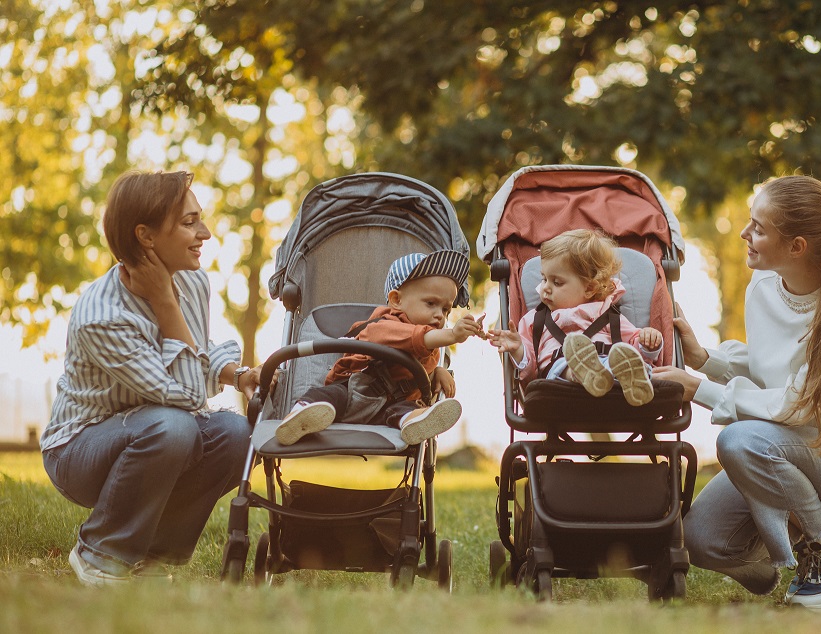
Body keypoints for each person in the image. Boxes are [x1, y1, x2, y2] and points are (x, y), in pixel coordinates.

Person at [652, 175, 821, 612]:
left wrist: (702, 390)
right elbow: (775, 368)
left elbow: (799, 403)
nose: (745, 234)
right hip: (790, 447)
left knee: (738, 439)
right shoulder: (764, 284)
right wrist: (703, 358)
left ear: (797, 246)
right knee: (704, 540)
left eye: (759, 227)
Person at [41, 170, 264, 587]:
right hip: (79, 451)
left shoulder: (192, 280)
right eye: (189, 222)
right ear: (145, 236)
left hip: (155, 429)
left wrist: (237, 373)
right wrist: (164, 303)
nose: (206, 232)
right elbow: (187, 395)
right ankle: (100, 553)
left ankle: (151, 557)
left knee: (237, 434)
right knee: (175, 426)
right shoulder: (102, 317)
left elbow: (198, 347)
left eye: (200, 218)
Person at [274, 250, 484, 446]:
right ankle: (299, 415)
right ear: (397, 300)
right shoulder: (383, 326)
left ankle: (415, 421)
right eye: (431, 303)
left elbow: (418, 365)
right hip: (352, 392)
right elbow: (414, 339)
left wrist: (437, 371)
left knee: (403, 409)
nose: (440, 315)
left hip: (386, 407)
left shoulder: (431, 344)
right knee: (326, 396)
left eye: (446, 309)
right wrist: (452, 335)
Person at [488, 229, 662, 406]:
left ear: (589, 288)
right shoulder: (535, 320)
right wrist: (518, 349)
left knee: (620, 361)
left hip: (607, 370)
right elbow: (530, 371)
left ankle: (631, 380)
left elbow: (634, 347)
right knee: (565, 366)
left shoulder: (607, 315)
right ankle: (583, 373)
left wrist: (647, 343)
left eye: (557, 282)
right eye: (544, 279)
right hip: (558, 378)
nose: (546, 288)